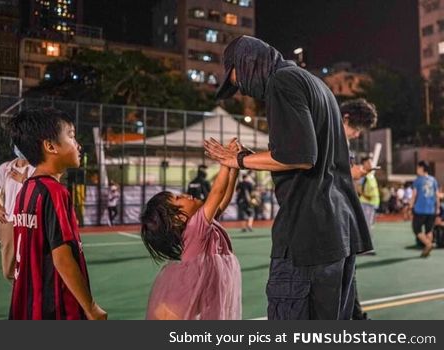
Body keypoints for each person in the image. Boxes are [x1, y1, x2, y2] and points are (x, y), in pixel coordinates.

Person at [205, 35, 372, 320]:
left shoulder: (282, 82)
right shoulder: (315, 84)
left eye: (235, 78)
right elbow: (304, 153)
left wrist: (238, 159)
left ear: (247, 63)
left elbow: (300, 157)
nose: (241, 89)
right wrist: (251, 156)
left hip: (306, 236)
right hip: (338, 232)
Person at [7, 108, 107, 320]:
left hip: (26, 305)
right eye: (71, 136)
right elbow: (62, 258)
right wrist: (91, 307)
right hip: (54, 308)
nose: (78, 144)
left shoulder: (26, 190)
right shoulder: (55, 192)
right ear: (50, 146)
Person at [141, 139, 241, 320]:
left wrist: (234, 168)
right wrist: (226, 162)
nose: (186, 195)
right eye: (179, 198)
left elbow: (223, 199)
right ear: (178, 218)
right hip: (198, 281)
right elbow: (216, 192)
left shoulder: (203, 223)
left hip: (209, 278)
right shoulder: (196, 227)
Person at [340, 98, 378, 321]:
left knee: (348, 274)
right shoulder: (327, 137)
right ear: (345, 118)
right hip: (331, 223)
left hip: (343, 221)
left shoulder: (341, 142)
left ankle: (357, 316)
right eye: (356, 128)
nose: (357, 135)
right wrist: (350, 173)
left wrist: (355, 174)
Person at [0, 150, 35, 281]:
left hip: (30, 222)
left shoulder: (37, 168)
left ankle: (31, 298)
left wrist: (24, 180)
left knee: (31, 265)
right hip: (9, 221)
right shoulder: (5, 167)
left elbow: (41, 191)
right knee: (9, 270)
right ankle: (23, 296)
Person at [409, 161, 439, 258]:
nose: (417, 170)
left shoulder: (417, 181)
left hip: (420, 209)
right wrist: (437, 208)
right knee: (429, 230)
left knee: (416, 229)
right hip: (431, 210)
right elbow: (437, 195)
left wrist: (410, 206)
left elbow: (414, 195)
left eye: (418, 168)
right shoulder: (433, 180)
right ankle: (427, 250)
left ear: (422, 168)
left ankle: (428, 244)